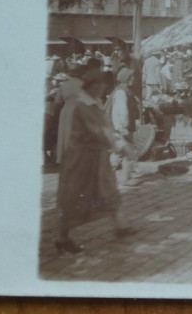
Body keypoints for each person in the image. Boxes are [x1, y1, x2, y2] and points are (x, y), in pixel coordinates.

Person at [55, 70, 137, 254]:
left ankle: (120, 224)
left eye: (103, 86)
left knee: (109, 189)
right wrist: (120, 145)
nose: (102, 89)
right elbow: (98, 131)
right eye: (99, 86)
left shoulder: (94, 102)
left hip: (96, 156)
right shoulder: (82, 105)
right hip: (80, 159)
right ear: (92, 86)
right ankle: (61, 237)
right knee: (73, 196)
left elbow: (104, 127)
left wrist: (116, 140)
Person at [105, 67, 140, 187]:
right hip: (120, 127)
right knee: (129, 152)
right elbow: (120, 112)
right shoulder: (121, 93)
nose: (134, 79)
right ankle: (125, 179)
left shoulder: (121, 91)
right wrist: (122, 127)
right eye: (132, 77)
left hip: (116, 128)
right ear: (127, 79)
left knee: (118, 152)